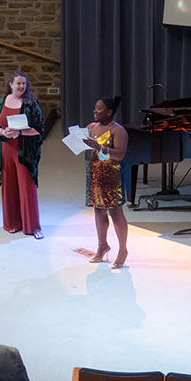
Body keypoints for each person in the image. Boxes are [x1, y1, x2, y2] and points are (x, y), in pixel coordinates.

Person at [0, 70, 44, 239]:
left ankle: (32, 227)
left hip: (24, 151)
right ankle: (12, 223)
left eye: (24, 83)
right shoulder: (1, 102)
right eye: (18, 83)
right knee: (9, 186)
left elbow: (39, 129)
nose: (22, 86)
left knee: (26, 186)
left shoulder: (30, 104)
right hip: (6, 149)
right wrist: (3, 132)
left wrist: (19, 133)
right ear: (11, 85)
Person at [84, 95, 130, 269]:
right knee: (98, 210)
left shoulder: (118, 130)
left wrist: (100, 147)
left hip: (112, 176)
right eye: (95, 108)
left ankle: (123, 250)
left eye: (99, 108)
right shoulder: (91, 127)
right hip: (95, 174)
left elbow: (120, 154)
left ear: (109, 112)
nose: (95, 111)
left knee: (115, 212)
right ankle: (102, 245)